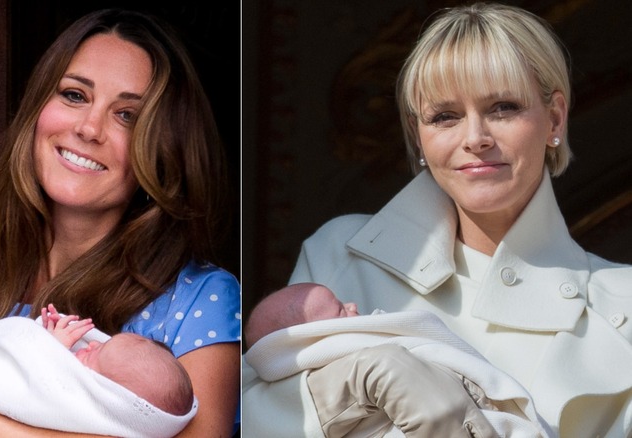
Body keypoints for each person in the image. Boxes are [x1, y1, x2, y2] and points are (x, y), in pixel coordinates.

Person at [242, 3, 632, 438]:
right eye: (445, 116)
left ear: (555, 118)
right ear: (418, 135)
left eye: (503, 107)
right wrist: (361, 379)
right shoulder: (338, 252)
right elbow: (253, 414)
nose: (475, 139)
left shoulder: (623, 303)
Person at [0, 8, 240, 438]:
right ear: (37, 110)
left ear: (163, 151)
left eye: (127, 115)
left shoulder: (198, 301)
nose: (89, 128)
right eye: (75, 95)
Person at [244, 283, 552, 437]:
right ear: (315, 337)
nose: (352, 306)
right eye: (339, 309)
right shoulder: (357, 365)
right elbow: (432, 409)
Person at [0, 304, 197, 437]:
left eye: (97, 353)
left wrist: (44, 345)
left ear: (107, 392)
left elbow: (26, 387)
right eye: (103, 343)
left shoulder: (81, 407)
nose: (93, 343)